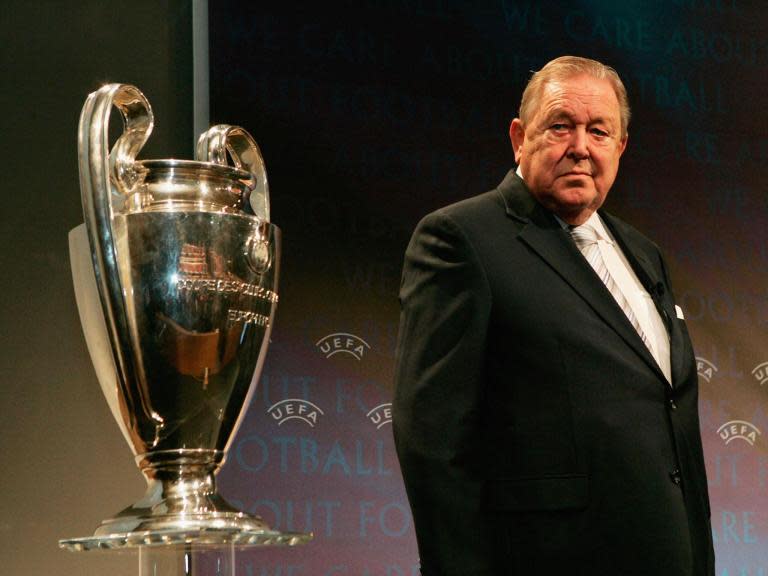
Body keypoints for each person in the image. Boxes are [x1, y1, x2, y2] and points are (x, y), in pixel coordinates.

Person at [392, 56, 714, 575]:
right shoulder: (462, 239)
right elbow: (431, 437)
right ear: (520, 137)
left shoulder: (644, 253)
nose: (581, 147)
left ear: (621, 146)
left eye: (599, 130)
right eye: (560, 126)